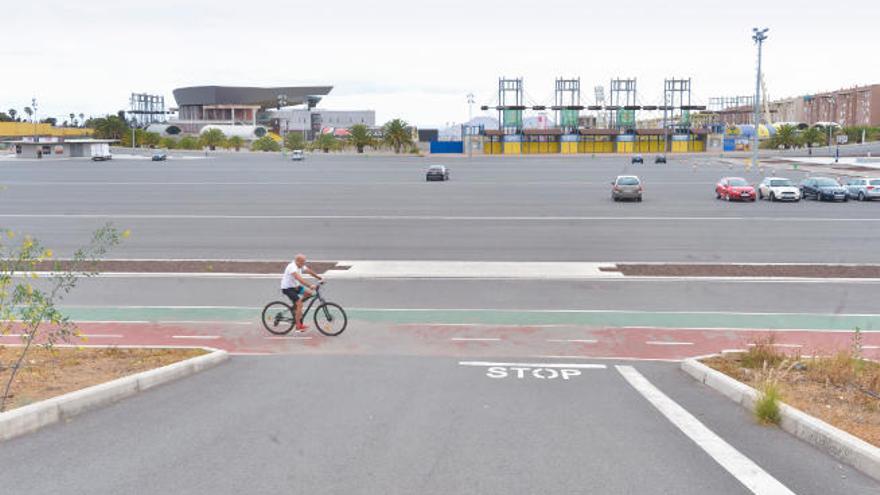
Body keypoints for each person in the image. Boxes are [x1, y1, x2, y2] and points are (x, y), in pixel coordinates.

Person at [280, 254, 323, 332]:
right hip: (288, 289)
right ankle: (298, 326)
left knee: (309, 294)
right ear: (297, 261)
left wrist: (319, 277)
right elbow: (299, 279)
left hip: (296, 287)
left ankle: (296, 308)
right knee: (300, 304)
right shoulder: (292, 267)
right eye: (303, 263)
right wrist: (310, 285)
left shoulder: (300, 265)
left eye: (304, 262)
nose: (304, 264)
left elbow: (309, 271)